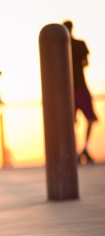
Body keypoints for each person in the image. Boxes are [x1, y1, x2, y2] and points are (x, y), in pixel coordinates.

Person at [63, 20, 98, 164]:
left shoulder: (77, 45)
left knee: (87, 120)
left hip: (75, 88)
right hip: (72, 89)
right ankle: (78, 151)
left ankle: (82, 150)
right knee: (73, 122)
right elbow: (86, 63)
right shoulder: (74, 45)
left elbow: (85, 62)